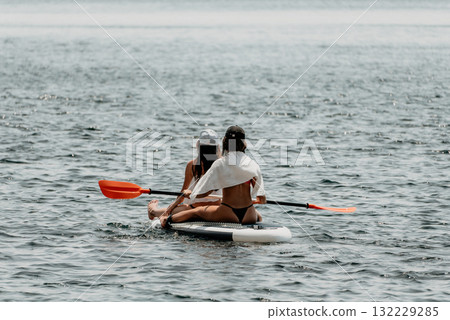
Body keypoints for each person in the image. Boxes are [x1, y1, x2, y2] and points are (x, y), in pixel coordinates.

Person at [160, 125, 266, 228]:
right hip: (249, 215)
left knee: (196, 212)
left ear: (225, 142)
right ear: (244, 144)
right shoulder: (253, 164)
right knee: (259, 216)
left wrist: (191, 194)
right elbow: (262, 200)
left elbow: (205, 192)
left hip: (228, 213)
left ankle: (166, 220)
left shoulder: (220, 163)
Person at [147, 129, 221, 220]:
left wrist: (171, 207)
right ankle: (154, 211)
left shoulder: (192, 165)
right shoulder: (223, 165)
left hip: (192, 208)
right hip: (216, 209)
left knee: (178, 209)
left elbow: (183, 193)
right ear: (217, 148)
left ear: (198, 146)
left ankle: (153, 211)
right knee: (181, 207)